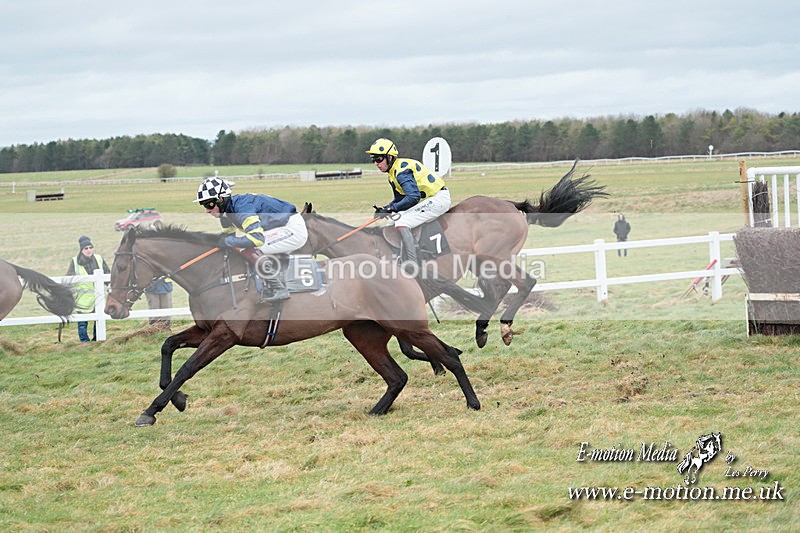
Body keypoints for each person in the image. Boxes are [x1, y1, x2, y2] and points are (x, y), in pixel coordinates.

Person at [195, 176, 308, 302]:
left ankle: (279, 288)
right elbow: (226, 238)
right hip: (278, 227)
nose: (206, 210)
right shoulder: (226, 214)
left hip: (292, 229)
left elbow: (257, 239)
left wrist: (227, 242)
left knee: (248, 245)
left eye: (208, 204)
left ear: (221, 199)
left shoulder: (242, 209)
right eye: (203, 205)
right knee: (239, 245)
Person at [366, 138, 450, 271]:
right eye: (373, 160)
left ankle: (413, 263)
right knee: (391, 222)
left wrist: (391, 208)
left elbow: (413, 197)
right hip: (428, 200)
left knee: (402, 222)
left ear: (389, 157)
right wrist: (386, 209)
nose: (376, 163)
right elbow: (400, 199)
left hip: (438, 199)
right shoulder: (392, 173)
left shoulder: (401, 172)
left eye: (378, 159)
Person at [65, 235, 110, 342]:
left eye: (90, 247)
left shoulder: (99, 259)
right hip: (82, 298)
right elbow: (69, 278)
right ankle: (84, 341)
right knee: (82, 323)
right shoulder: (75, 262)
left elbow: (107, 273)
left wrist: (110, 286)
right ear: (81, 250)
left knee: (98, 320)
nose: (89, 250)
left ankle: (96, 339)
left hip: (98, 297)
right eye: (86, 248)